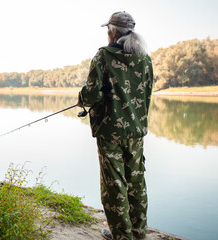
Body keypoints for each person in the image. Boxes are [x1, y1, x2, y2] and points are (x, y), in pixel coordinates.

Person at [77, 11, 153, 240]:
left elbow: (91, 94)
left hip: (110, 132)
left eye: (108, 29)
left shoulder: (103, 56)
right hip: (136, 132)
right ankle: (139, 233)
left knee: (114, 185)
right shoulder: (145, 58)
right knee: (136, 182)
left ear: (112, 31)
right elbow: (147, 93)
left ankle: (121, 235)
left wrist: (81, 99)